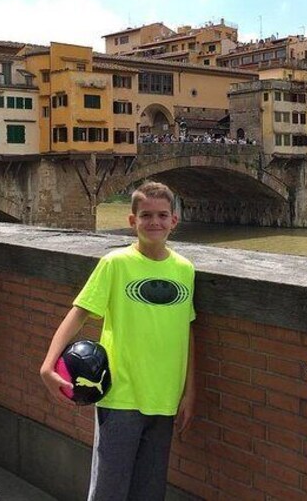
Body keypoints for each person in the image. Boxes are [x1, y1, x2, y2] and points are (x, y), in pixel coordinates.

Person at [40, 181, 196, 501]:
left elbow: (188, 332)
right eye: (146, 215)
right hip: (121, 394)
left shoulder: (185, 270)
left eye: (162, 215)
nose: (155, 222)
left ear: (174, 221)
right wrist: (48, 364)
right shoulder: (115, 263)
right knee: (109, 488)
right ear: (132, 221)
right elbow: (79, 313)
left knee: (150, 489)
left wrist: (190, 390)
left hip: (165, 396)